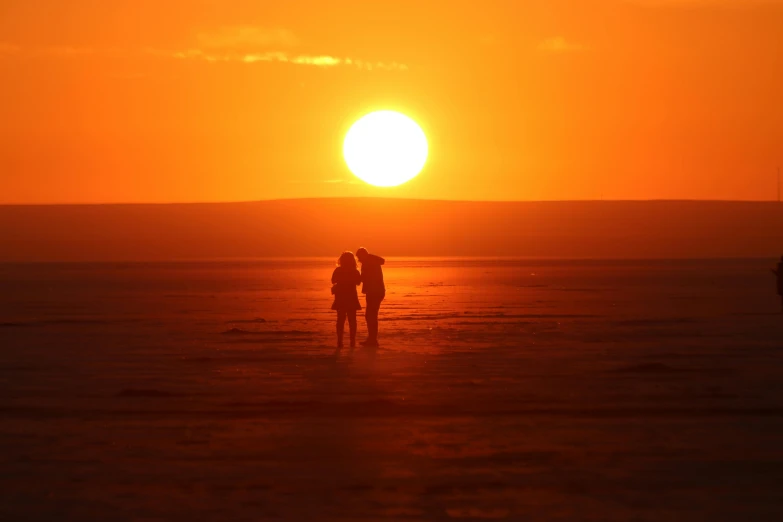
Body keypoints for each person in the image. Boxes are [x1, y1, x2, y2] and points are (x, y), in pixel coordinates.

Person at [331, 251, 362, 348]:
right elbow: (358, 282)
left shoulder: (338, 270)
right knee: (352, 320)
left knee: (340, 319)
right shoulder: (355, 271)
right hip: (351, 296)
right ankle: (352, 341)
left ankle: (340, 341)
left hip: (340, 297)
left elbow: (333, 281)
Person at [356, 247, 385, 347]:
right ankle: (372, 339)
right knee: (371, 316)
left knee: (370, 316)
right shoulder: (372, 261)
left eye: (359, 257)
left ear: (363, 255)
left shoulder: (368, 263)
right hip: (376, 291)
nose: (358, 260)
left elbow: (363, 278)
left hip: (374, 292)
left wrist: (354, 277)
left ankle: (372, 340)